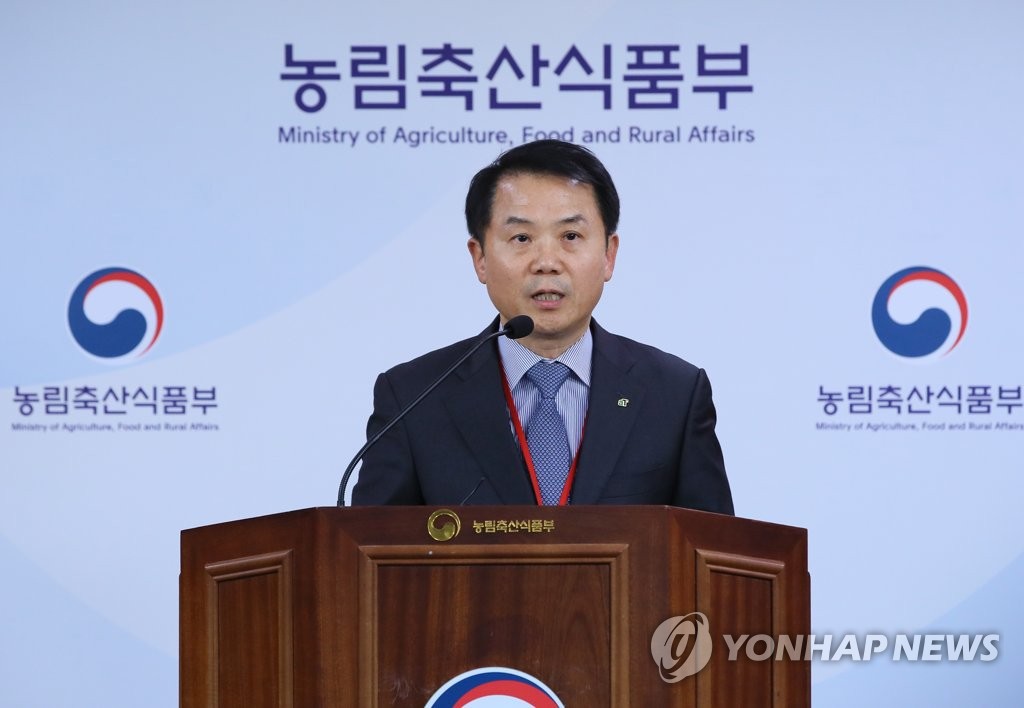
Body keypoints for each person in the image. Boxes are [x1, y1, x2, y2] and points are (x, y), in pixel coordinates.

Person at [350, 139, 734, 513]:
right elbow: (367, 547)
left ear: (608, 255)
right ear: (480, 258)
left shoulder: (674, 395)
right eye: (521, 238)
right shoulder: (413, 398)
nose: (547, 262)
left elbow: (714, 547)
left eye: (571, 236)